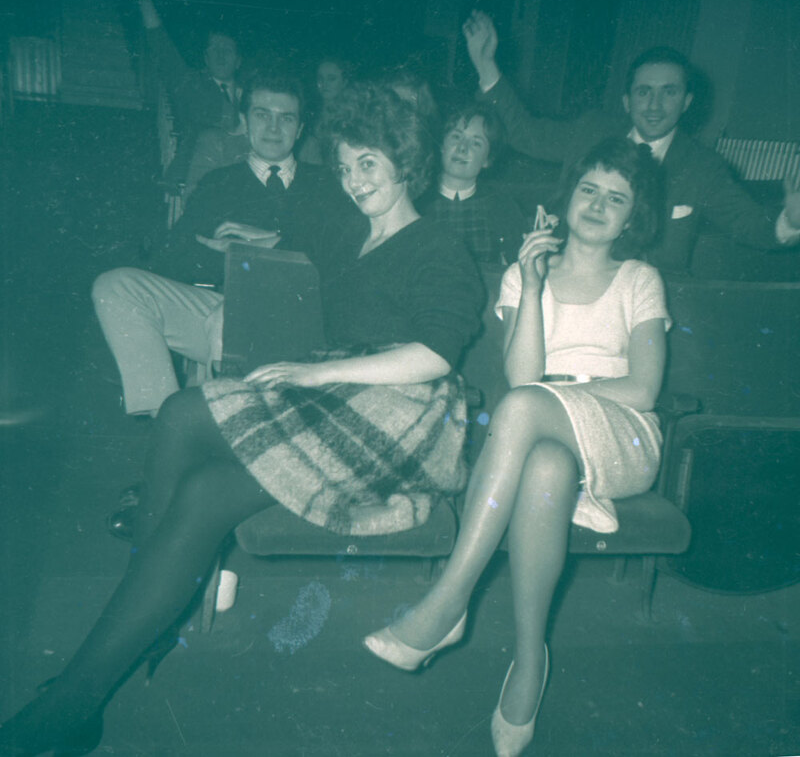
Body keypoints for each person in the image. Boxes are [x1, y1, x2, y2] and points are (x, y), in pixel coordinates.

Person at [0, 83, 483, 756]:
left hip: (401, 414)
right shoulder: (349, 235)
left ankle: (103, 660)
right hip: (339, 397)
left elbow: (435, 355)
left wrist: (315, 374)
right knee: (202, 491)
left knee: (183, 413)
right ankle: (88, 689)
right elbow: (290, 286)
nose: (354, 180)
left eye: (368, 163)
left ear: (405, 160)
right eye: (345, 166)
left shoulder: (437, 245)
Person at [364, 137, 671, 756]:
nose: (597, 205)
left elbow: (642, 388)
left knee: (527, 406)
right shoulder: (519, 275)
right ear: (568, 196)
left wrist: (559, 396)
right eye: (589, 189)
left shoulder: (639, 279)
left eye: (616, 199)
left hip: (623, 435)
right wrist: (531, 288)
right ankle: (531, 661)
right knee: (546, 465)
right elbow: (521, 376)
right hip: (539, 431)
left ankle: (449, 601)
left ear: (632, 218)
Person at [462, 10, 800, 274]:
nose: (654, 105)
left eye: (669, 92)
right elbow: (525, 133)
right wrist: (485, 64)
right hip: (570, 279)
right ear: (626, 101)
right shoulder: (592, 131)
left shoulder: (704, 167)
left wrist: (790, 222)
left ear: (687, 102)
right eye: (644, 92)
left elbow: (750, 224)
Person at [93, 69, 346, 418]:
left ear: (300, 129)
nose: (274, 128)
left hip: (308, 318)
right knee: (115, 285)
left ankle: (226, 426)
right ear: (245, 121)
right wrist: (224, 253)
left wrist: (271, 245)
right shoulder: (219, 183)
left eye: (286, 118)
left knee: (226, 318)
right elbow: (174, 258)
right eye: (263, 115)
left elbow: (344, 254)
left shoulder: (329, 185)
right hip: (225, 309)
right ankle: (166, 419)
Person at [125, 0, 242, 186]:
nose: (221, 54)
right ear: (205, 58)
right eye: (214, 48)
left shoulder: (253, 94)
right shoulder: (190, 84)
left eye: (227, 49)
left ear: (239, 61)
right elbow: (161, 46)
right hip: (195, 179)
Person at [418, 102, 526, 264]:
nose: (462, 148)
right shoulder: (417, 200)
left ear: (487, 159)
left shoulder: (502, 206)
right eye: (456, 137)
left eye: (476, 143)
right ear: (442, 145)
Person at [298, 56, 352, 165]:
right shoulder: (309, 112)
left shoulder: (350, 117)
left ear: (344, 82)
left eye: (331, 79)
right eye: (320, 78)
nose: (324, 84)